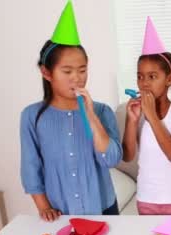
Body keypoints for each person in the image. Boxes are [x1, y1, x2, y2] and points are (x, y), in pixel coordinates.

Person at [20, 1, 122, 221]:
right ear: (46, 72)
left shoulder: (102, 111)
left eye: (82, 70)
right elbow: (31, 166)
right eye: (67, 71)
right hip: (59, 213)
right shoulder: (31, 116)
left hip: (105, 209)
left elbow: (111, 159)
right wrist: (43, 206)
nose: (77, 77)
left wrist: (91, 115)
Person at [122, 17, 171, 215]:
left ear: (169, 79)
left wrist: (152, 116)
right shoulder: (139, 112)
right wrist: (131, 120)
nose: (144, 83)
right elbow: (127, 156)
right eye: (140, 76)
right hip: (146, 200)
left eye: (152, 77)